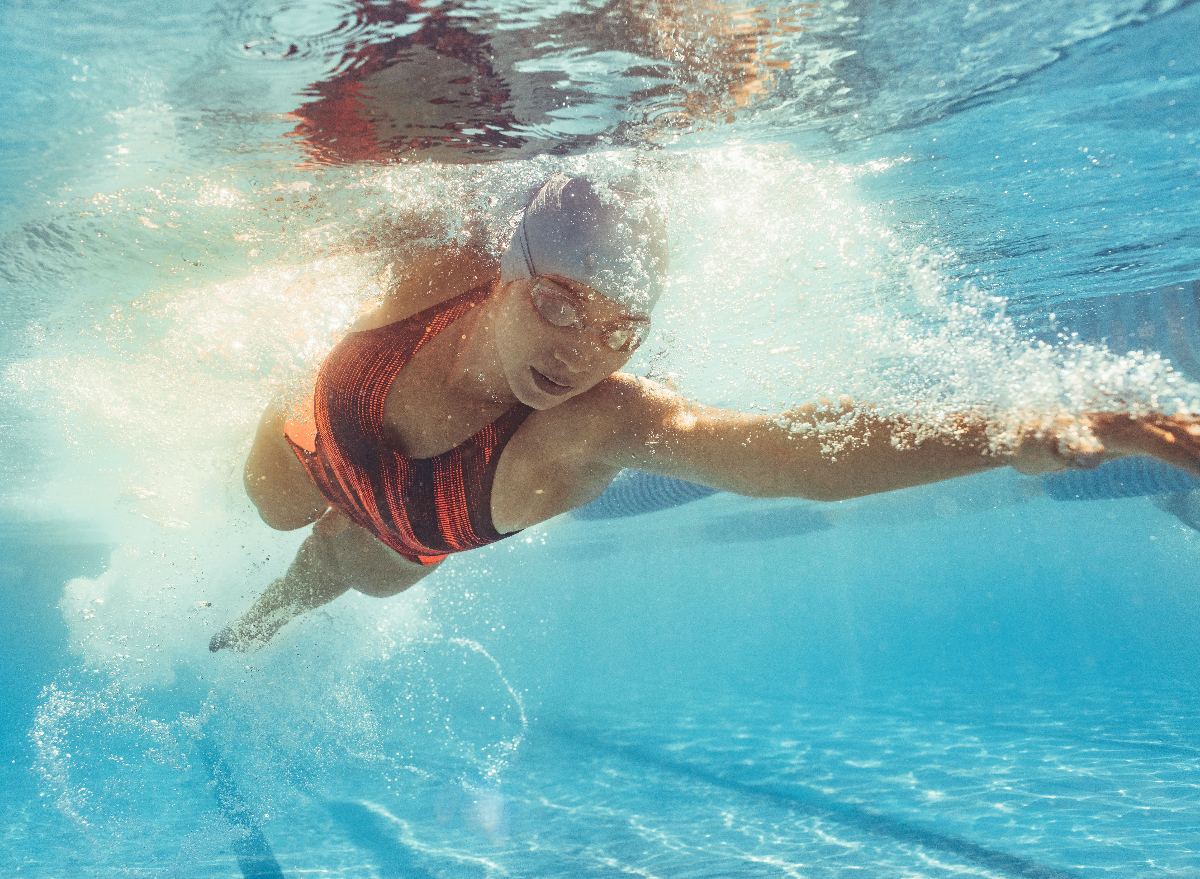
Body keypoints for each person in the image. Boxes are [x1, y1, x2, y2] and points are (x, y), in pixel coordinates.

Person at [210, 173, 1200, 652]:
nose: (579, 353)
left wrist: (1012, 431)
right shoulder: (440, 264)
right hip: (307, 440)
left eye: (618, 330)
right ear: (501, 277)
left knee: (325, 570)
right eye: (559, 304)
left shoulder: (599, 422)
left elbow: (793, 459)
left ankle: (252, 630)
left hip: (395, 536)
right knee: (271, 507)